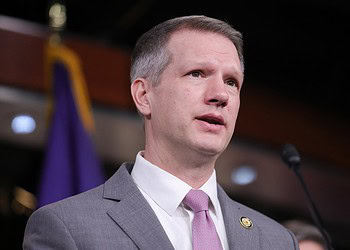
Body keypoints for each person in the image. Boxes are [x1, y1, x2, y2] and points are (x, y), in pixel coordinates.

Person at [23, 15, 299, 249]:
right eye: (197, 73)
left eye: (231, 81)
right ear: (143, 95)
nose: (220, 95)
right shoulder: (68, 228)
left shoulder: (278, 241)